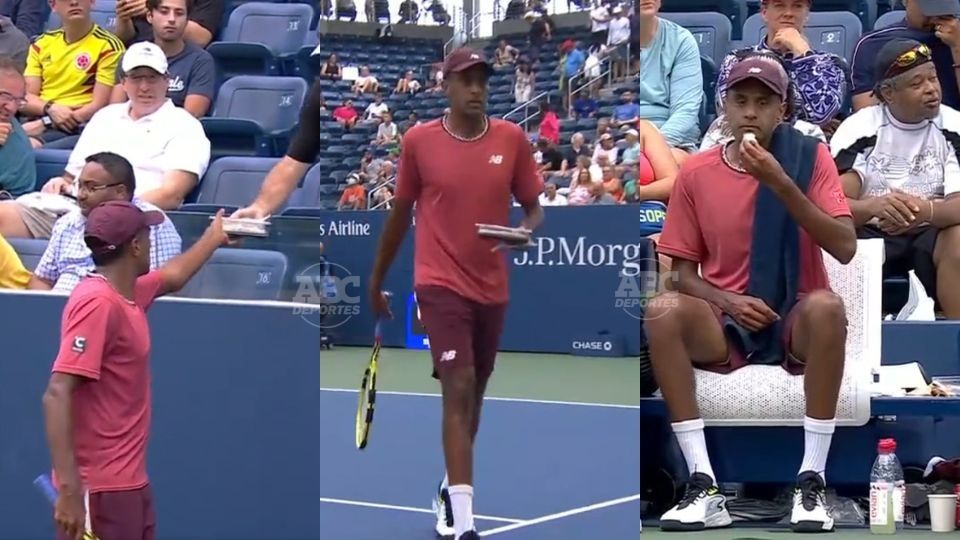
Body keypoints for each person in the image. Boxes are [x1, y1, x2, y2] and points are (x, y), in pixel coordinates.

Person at [645, 56, 856, 532]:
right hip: (726, 320)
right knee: (661, 309)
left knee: (829, 307)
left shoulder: (809, 158)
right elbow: (681, 274)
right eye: (740, 101)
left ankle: (812, 482)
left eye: (763, 103)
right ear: (724, 107)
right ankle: (703, 483)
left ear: (782, 111)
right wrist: (727, 301)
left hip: (795, 316)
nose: (750, 113)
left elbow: (843, 247)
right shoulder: (696, 173)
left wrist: (780, 182)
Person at [367, 47, 544, 540]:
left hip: (492, 288)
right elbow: (400, 217)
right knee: (459, 386)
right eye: (465, 80)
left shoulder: (511, 139)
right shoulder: (419, 142)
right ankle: (466, 524)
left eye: (482, 80)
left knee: (475, 396)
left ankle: (449, 488)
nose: (476, 89)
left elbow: (533, 209)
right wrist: (377, 278)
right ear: (445, 85)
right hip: (438, 283)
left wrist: (524, 230)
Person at [42, 201, 232, 540]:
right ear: (136, 246)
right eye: (147, 233)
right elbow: (57, 392)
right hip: (99, 492)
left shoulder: (126, 293)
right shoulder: (98, 303)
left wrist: (214, 236)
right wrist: (70, 490)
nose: (150, 241)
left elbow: (173, 276)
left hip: (126, 484)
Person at [832, 38, 960, 318]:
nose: (931, 90)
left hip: (932, 231)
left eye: (933, 78)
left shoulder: (953, 126)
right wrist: (874, 207)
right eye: (917, 84)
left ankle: (956, 335)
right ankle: (851, 342)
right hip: (875, 232)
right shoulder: (861, 129)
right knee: (839, 237)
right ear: (888, 93)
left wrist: (924, 211)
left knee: (959, 236)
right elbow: (834, 204)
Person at [850, 0, 960, 111]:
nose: (935, 17)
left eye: (944, 8)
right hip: (898, 126)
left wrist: (957, 48)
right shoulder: (873, 44)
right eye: (929, 9)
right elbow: (868, 117)